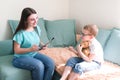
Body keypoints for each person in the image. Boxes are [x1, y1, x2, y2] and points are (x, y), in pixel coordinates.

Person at [12, 7, 55, 80]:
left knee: (51, 63)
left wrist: (42, 45)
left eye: (37, 18)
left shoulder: (37, 28)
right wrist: (30, 49)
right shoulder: (20, 34)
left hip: (33, 54)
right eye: (32, 19)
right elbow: (16, 50)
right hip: (20, 58)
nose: (36, 21)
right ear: (25, 20)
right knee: (39, 65)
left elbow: (37, 40)